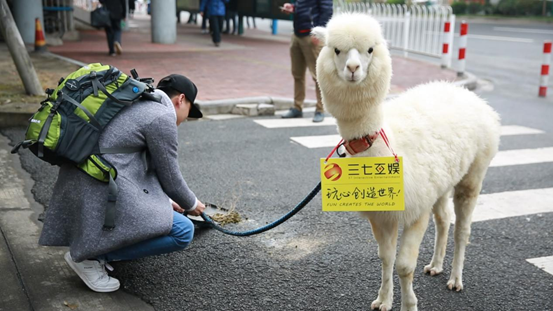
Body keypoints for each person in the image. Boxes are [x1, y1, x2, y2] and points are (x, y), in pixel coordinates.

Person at [38, 74, 207, 293]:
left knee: (162, 210)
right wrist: (193, 204)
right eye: (188, 112)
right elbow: (171, 178)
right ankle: (90, 257)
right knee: (183, 231)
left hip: (84, 179)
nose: (184, 119)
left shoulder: (135, 100)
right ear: (181, 99)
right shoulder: (162, 116)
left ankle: (96, 249)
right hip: (99, 187)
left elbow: (135, 164)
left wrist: (164, 200)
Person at [281, 0, 333, 123]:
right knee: (297, 74)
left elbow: (327, 11)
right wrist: (293, 8)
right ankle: (297, 107)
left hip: (312, 37)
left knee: (318, 75)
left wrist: (318, 32)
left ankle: (320, 109)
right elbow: (304, 6)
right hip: (297, 34)